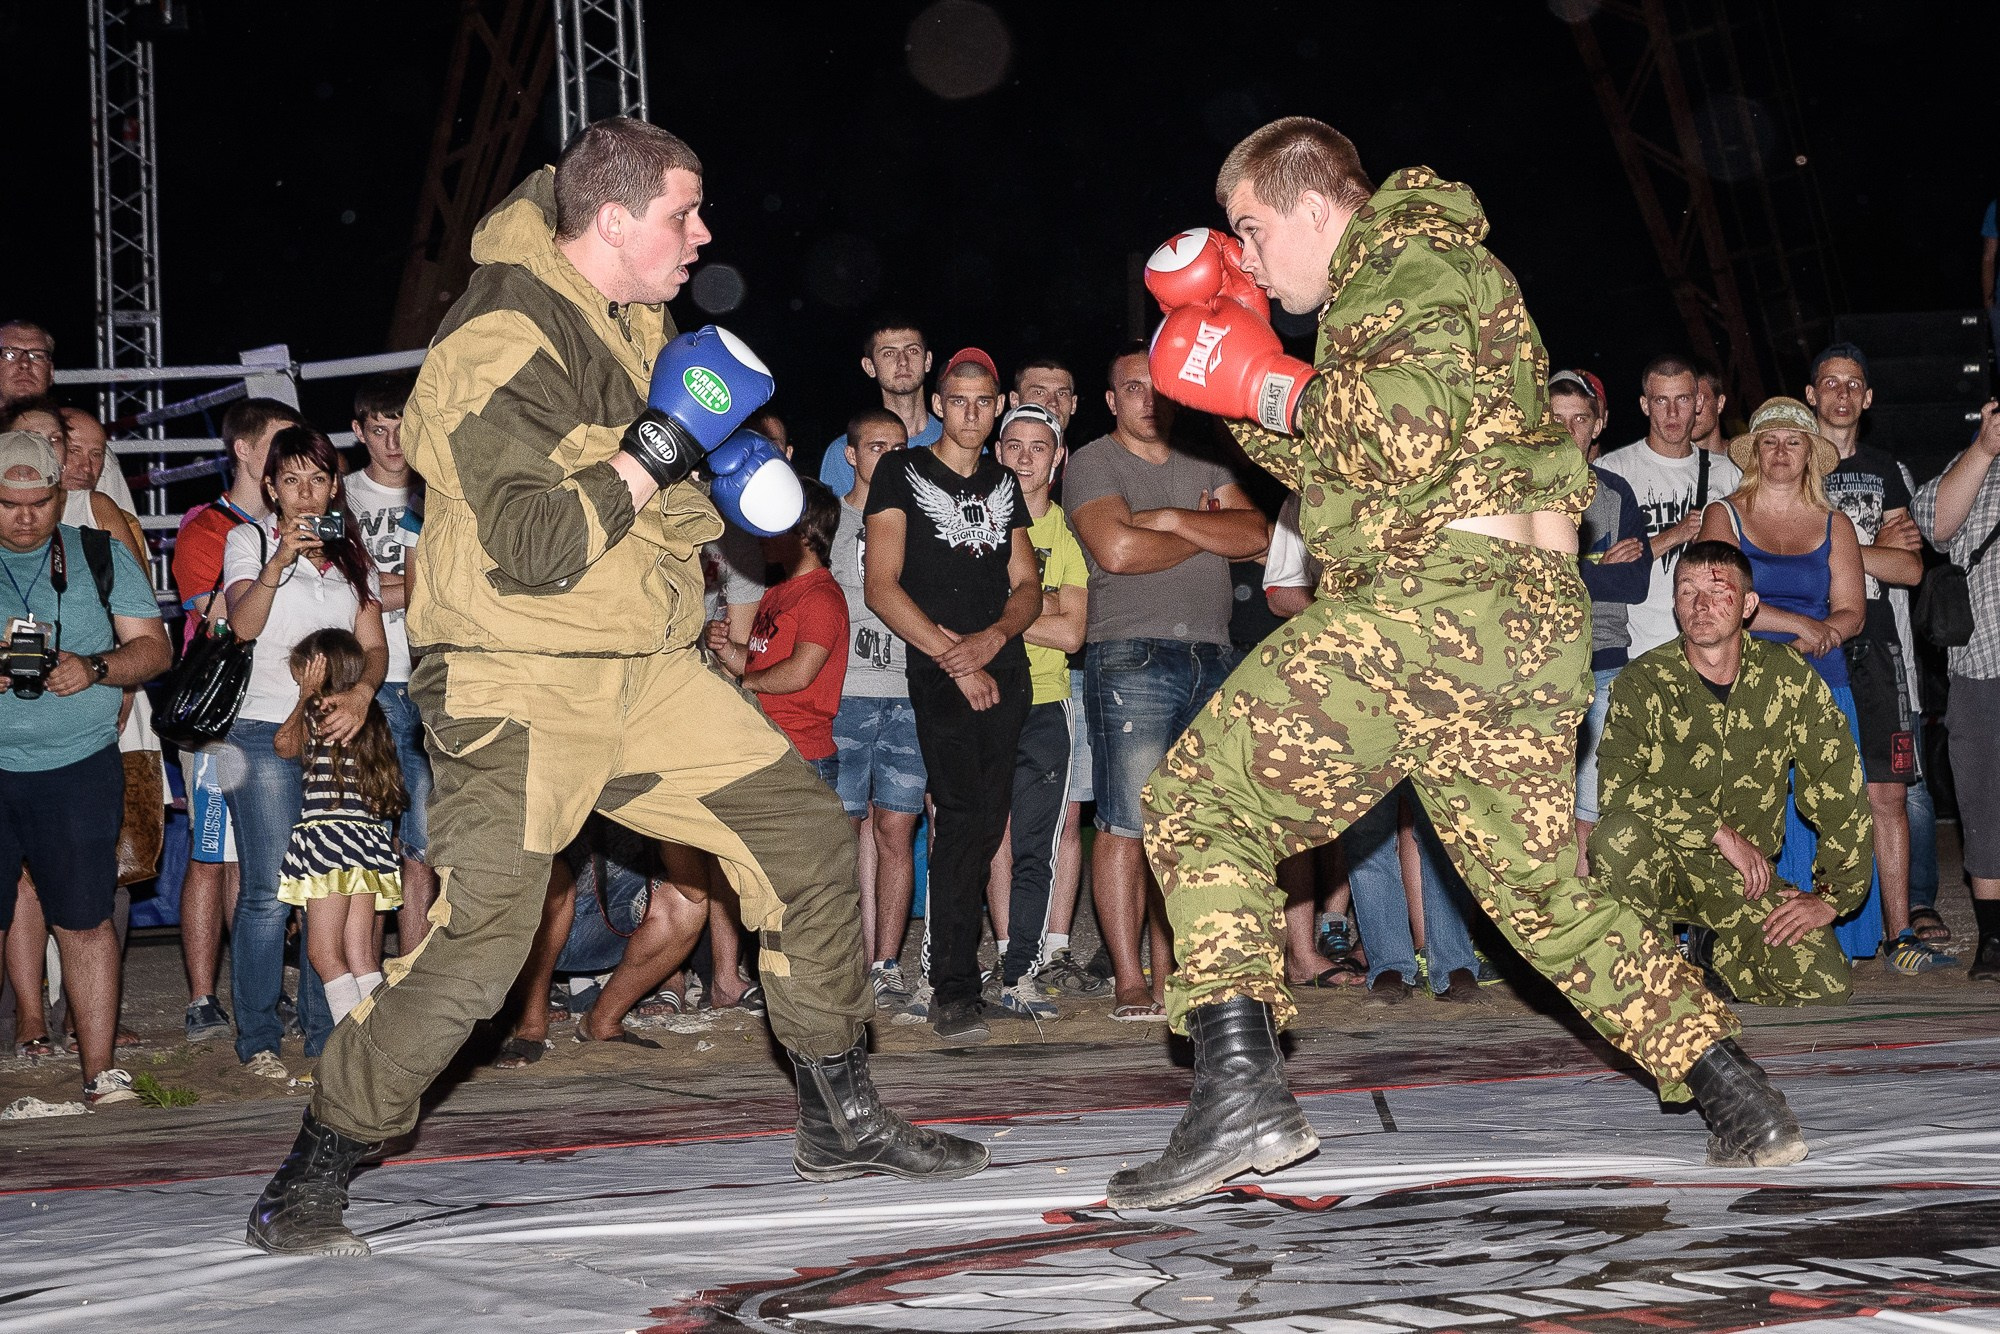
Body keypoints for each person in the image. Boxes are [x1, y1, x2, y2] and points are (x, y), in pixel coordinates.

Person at [247, 118, 983, 1260]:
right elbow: (537, 541)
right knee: (485, 944)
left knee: (800, 837)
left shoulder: (641, 320)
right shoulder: (496, 336)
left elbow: (674, 497)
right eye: (684, 214)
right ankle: (321, 1155)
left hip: (643, 670)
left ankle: (838, 1115)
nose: (703, 235)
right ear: (614, 219)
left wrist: (724, 472)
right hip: (518, 680)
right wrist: (655, 443)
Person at [1117, 117, 1799, 1210]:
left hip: (1442, 604)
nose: (1240, 255)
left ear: (1311, 204)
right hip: (1515, 629)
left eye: (1249, 230)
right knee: (1541, 897)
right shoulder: (1408, 281)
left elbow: (1405, 427)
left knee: (1201, 799)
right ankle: (1733, 1089)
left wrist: (1266, 382)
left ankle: (1240, 1089)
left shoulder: (1408, 254)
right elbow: (1357, 464)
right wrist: (1243, 382)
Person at [1066, 343, 1265, 1021]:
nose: (1149, 401)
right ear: (1113, 399)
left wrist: (1176, 520)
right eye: (1133, 389)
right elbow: (1117, 551)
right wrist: (1211, 528)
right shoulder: (1093, 460)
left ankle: (1175, 969)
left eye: (1160, 390)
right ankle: (1128, 977)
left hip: (1214, 655)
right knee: (1126, 821)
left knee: (1193, 824)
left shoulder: (1206, 460)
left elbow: (1258, 536)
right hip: (1132, 655)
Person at [1594, 542, 1866, 1006]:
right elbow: (1618, 789)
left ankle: (1712, 954)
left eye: (1718, 592)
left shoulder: (1788, 678)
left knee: (1825, 984)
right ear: (1675, 605)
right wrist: (1717, 832)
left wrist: (1832, 896)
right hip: (1660, 862)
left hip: (1744, 880)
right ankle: (1654, 969)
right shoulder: (1644, 681)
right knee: (1615, 837)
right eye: (1687, 591)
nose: (1701, 605)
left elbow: (1841, 790)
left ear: (1748, 605)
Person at [864, 347, 1042, 1041]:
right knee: (961, 814)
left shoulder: (1004, 480)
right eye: (958, 400)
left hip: (1006, 667)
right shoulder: (902, 471)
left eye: (983, 401)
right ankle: (952, 988)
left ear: (997, 406)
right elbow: (883, 587)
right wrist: (954, 659)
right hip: (941, 671)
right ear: (939, 404)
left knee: (987, 820)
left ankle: (963, 980)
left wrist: (993, 642)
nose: (971, 412)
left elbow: (1027, 585)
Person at [0, 432, 170, 1105]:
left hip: (77, 765)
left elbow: (153, 650)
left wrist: (94, 668)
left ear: (59, 494)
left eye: (38, 503)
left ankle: (101, 1074)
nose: (23, 517)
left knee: (85, 917)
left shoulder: (99, 554)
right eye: (8, 504)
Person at [217, 424, 390, 1081]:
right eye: (291, 480)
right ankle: (258, 1037)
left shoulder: (351, 550)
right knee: (267, 888)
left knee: (328, 880)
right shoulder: (247, 539)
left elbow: (372, 642)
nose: (305, 492)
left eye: (317, 478)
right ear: (270, 487)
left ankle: (326, 1037)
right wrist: (277, 562)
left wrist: (364, 694)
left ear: (334, 484)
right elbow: (241, 626)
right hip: (261, 728)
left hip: (337, 737)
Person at [1696, 396, 1883, 959]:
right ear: (1755, 452)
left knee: (1829, 807)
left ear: (1810, 454)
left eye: (1793, 442)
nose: (1781, 452)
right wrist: (1802, 623)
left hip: (1823, 682)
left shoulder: (1835, 523)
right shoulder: (1723, 515)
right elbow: (1724, 595)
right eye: (1771, 442)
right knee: (1754, 812)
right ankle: (1756, 935)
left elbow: (1852, 609)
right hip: (1745, 685)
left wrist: (1821, 635)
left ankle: (1833, 932)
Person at [1805, 343, 1945, 973]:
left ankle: (1898, 936)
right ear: (1811, 394)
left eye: (1852, 384)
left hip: (1878, 648)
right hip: (1812, 640)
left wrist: (1836, 551)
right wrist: (1866, 549)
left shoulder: (1887, 468)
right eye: (1829, 383)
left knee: (1886, 793)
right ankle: (1809, 930)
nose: (1840, 394)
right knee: (1805, 792)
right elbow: (1785, 558)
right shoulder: (1793, 462)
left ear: (1867, 398)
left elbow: (1911, 569)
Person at [169, 397, 299, 1044]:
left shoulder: (298, 521)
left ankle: (265, 992)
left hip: (277, 705)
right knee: (211, 853)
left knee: (264, 860)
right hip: (223, 713)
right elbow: (219, 616)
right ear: (246, 450)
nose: (288, 452)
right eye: (278, 440)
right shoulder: (206, 529)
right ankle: (201, 997)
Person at [987, 402, 1087, 1020]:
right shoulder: (973, 528)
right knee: (971, 836)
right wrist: (1035, 611)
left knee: (1034, 844)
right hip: (977, 699)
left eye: (1038, 447)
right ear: (997, 455)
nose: (1025, 457)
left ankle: (1021, 969)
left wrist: (997, 620)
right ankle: (951, 972)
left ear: (1059, 458)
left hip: (1046, 702)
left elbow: (1073, 636)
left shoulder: (1068, 541)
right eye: (1014, 446)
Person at [826, 408, 926, 1013]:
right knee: (837, 834)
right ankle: (835, 964)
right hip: (843, 696)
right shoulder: (822, 521)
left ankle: (884, 964)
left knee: (896, 830)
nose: (886, 457)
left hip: (907, 695)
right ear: (851, 453)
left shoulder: (921, 524)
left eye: (897, 447)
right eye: (874, 446)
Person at [340, 374, 438, 953]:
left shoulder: (434, 494)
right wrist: (400, 589)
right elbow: (348, 591)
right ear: (360, 432)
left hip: (430, 674)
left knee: (425, 831)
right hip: (369, 680)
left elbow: (439, 590)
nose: (394, 442)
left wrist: (384, 589)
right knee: (369, 824)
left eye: (403, 427)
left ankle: (416, 962)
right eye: (379, 430)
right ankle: (364, 965)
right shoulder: (342, 495)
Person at [493, 817, 711, 1064]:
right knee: (553, 875)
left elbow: (696, 892)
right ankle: (531, 1024)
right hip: (527, 929)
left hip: (606, 923)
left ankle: (602, 1021)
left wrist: (665, 821)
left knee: (686, 905)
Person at [275, 629, 406, 1027]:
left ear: (318, 668)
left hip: (329, 839)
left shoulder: (320, 709)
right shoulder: (368, 715)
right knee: (362, 954)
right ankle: (380, 1045)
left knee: (323, 953)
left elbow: (284, 745)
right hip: (366, 841)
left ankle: (352, 1050)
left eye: (302, 668)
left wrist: (304, 697)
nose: (296, 675)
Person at [1549, 368, 1651, 873]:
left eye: (1579, 419)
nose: (1567, 431)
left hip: (1604, 663)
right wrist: (1595, 565)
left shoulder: (1614, 493)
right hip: (1536, 667)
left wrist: (1568, 571)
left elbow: (1634, 584)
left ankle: (1587, 928)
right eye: (1555, 418)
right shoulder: (1517, 489)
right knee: (1540, 812)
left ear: (1600, 423)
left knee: (1592, 807)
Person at [1913, 400, 2000, 983]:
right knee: (1986, 805)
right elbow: (1934, 524)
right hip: (1985, 666)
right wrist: (1986, 447)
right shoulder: (1976, 468)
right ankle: (1994, 939)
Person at [707, 476, 849, 792]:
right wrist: (726, 648)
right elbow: (759, 663)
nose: (761, 532)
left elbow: (799, 673)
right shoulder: (778, 593)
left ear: (804, 530)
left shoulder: (821, 597)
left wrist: (744, 684)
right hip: (772, 746)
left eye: (773, 521)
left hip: (802, 755)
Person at [1597, 356, 1743, 657]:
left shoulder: (1727, 473)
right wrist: (1676, 534)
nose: (1673, 412)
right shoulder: (1614, 470)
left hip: (1708, 650)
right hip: (1636, 654)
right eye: (1661, 400)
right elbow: (1602, 567)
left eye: (1683, 399)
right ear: (1644, 405)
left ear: (1699, 402)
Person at [819, 317, 943, 496]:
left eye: (913, 350)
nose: (902, 361)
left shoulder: (958, 443)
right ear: (869, 366)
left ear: (927, 361)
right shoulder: (845, 453)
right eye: (889, 353)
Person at [0, 321, 56, 413]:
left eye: (36, 356)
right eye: (10, 355)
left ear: (51, 372)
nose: (25, 363)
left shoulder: (77, 425)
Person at [1691, 361, 1729, 457]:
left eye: (1700, 400)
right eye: (1684, 401)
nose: (1692, 411)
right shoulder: (1665, 467)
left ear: (1719, 403)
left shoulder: (1747, 459)